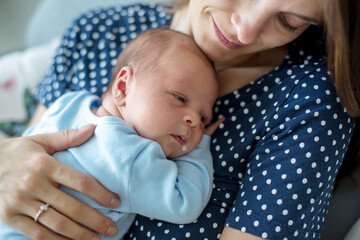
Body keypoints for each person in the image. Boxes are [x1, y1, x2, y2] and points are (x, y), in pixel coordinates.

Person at [0, 0, 359, 239]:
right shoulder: (95, 32)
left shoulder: (306, 99)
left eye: (289, 21)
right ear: (122, 84)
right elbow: (33, 142)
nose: (245, 31)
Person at [0, 28, 222, 239]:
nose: (194, 120)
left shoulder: (70, 103)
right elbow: (185, 203)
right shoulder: (131, 156)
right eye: (180, 98)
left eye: (204, 118)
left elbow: (26, 144)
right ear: (123, 87)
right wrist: (201, 146)